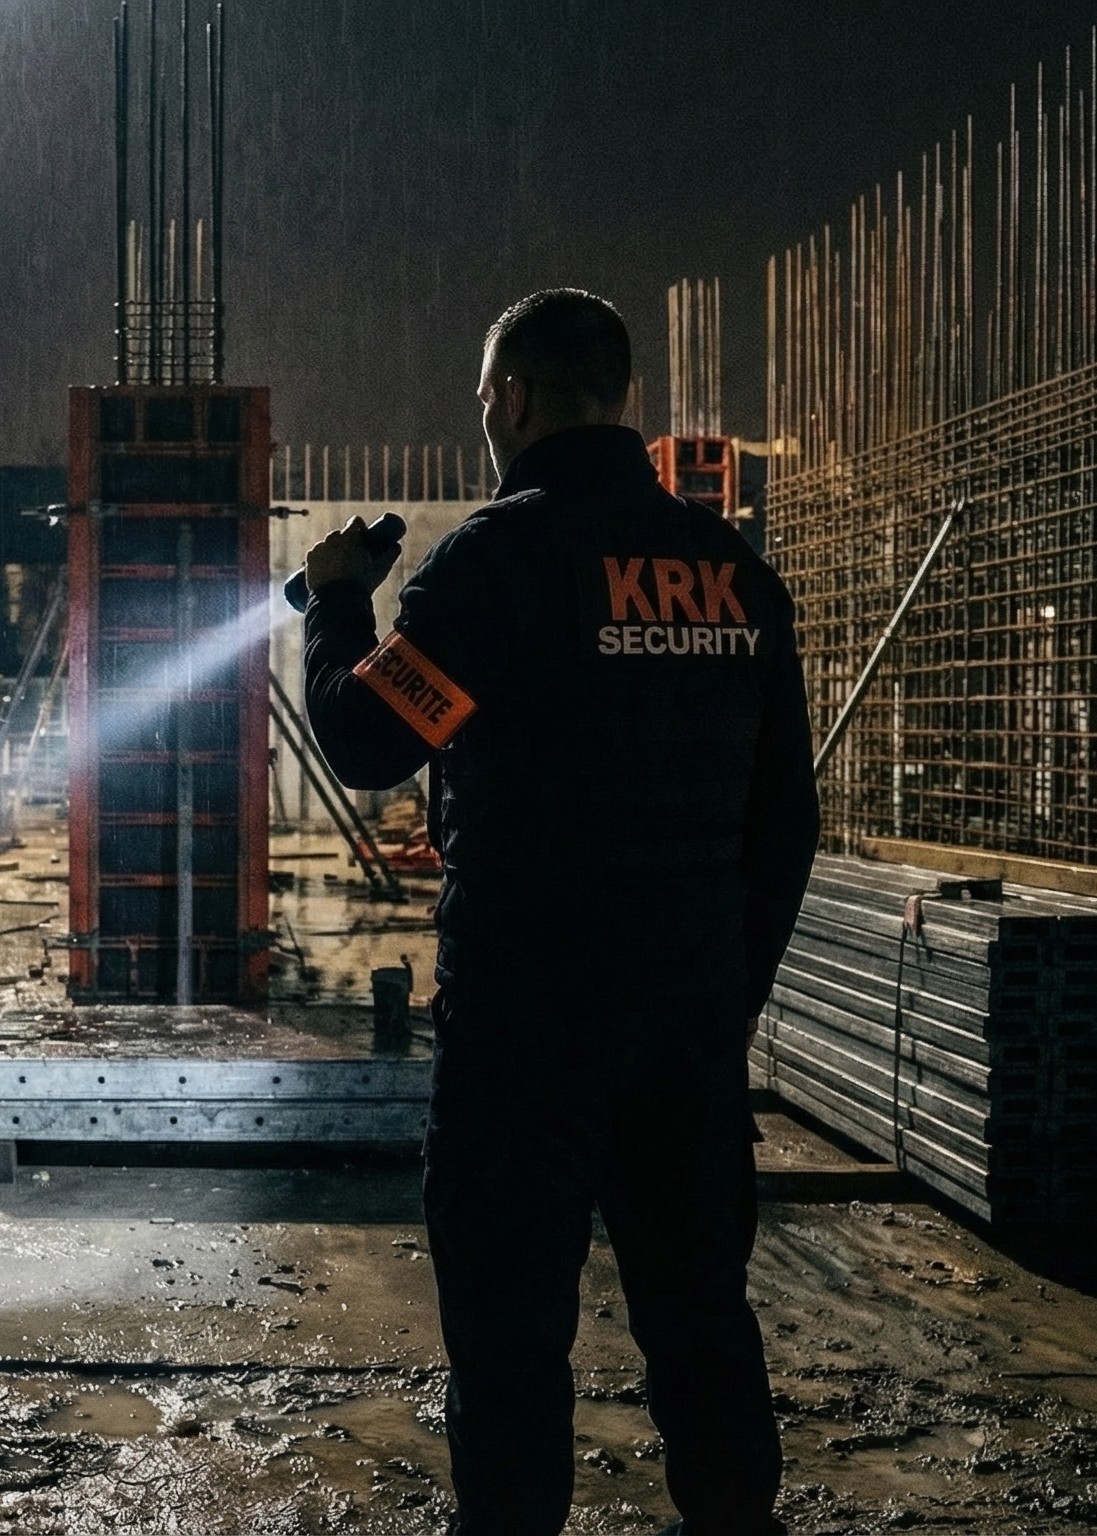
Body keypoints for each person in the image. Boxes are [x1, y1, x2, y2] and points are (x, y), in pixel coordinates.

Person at [297, 288, 817, 1536]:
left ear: (513, 397)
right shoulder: (730, 574)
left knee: (512, 1355)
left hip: (525, 1040)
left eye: (487, 398)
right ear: (620, 398)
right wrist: (716, 998)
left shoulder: (499, 559)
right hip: (684, 1040)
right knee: (701, 1335)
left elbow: (369, 738)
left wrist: (335, 605)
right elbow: (783, 825)